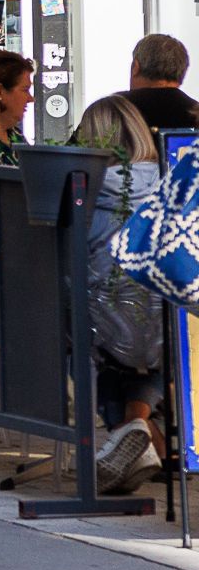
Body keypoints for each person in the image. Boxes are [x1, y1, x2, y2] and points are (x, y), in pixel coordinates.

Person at [74, 35, 199, 493]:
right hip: (173, 305)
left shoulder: (108, 117)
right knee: (161, 331)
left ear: (135, 66)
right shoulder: (195, 120)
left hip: (103, 321)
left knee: (90, 331)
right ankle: (141, 432)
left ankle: (128, 435)